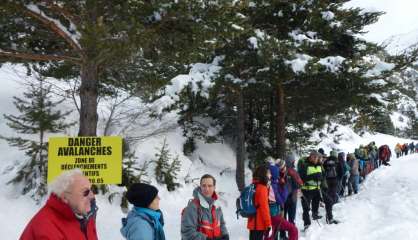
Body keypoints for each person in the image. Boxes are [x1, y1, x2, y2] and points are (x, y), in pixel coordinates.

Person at [20, 169, 98, 240]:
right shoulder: (46, 229)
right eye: (85, 192)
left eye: (92, 189)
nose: (92, 196)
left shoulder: (84, 214)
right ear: (64, 197)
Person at [181, 174, 229, 240]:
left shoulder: (217, 205)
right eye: (204, 186)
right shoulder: (192, 207)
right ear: (200, 186)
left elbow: (222, 224)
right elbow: (187, 232)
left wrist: (225, 234)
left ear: (214, 187)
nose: (207, 189)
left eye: (210, 186)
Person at [298, 150, 323, 230]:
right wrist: (313, 176)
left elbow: (322, 176)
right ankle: (306, 224)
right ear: (311, 156)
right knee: (306, 208)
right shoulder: (305, 165)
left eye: (317, 157)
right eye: (314, 157)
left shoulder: (319, 165)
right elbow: (301, 178)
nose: (316, 159)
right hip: (307, 190)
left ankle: (315, 215)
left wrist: (321, 177)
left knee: (315, 205)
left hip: (316, 189)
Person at [248, 165, 272, 240]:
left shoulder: (253, 185)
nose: (270, 175)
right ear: (264, 174)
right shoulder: (262, 188)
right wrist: (268, 224)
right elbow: (264, 208)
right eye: (268, 173)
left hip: (252, 221)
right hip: (259, 223)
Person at [322, 150, 339, 224]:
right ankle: (329, 216)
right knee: (331, 197)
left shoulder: (326, 161)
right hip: (334, 180)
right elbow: (340, 170)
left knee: (328, 197)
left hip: (327, 181)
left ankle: (329, 215)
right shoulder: (337, 161)